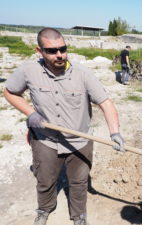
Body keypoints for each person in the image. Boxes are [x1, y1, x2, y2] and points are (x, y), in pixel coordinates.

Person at [4, 28, 125, 225]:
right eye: (52, 51)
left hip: (79, 140)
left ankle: (79, 216)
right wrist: (30, 113)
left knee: (78, 183)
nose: (59, 54)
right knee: (45, 180)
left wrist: (115, 132)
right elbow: (9, 92)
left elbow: (106, 103)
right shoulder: (28, 71)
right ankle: (44, 209)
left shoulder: (82, 74)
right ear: (39, 51)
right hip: (45, 139)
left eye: (63, 49)